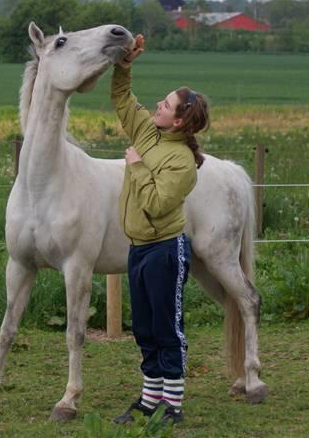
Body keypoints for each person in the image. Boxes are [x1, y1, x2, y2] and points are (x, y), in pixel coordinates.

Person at [111, 35, 210, 424]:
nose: (157, 104)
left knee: (168, 329)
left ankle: (174, 405)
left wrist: (135, 165)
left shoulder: (182, 162)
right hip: (137, 248)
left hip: (165, 251)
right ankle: (150, 400)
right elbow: (122, 99)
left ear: (180, 120)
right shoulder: (148, 131)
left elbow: (155, 203)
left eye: (166, 105)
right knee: (145, 328)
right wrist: (124, 66)